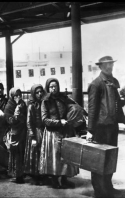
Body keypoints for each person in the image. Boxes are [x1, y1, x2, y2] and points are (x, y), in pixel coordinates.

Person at [86, 56, 125, 198]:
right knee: (98, 160)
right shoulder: (96, 84)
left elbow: (117, 105)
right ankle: (100, 191)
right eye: (106, 65)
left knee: (110, 159)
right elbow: (92, 109)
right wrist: (90, 130)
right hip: (100, 128)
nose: (109, 67)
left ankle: (108, 187)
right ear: (100, 67)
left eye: (111, 64)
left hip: (112, 127)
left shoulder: (113, 82)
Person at [39, 78, 79, 189]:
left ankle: (65, 179)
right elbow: (44, 119)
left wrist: (73, 116)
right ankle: (55, 180)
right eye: (51, 86)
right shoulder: (45, 101)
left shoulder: (64, 98)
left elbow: (73, 108)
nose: (53, 88)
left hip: (65, 131)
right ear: (48, 88)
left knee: (66, 156)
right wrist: (58, 122)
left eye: (55, 86)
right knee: (55, 157)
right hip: (53, 133)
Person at [4, 87, 27, 183]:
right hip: (14, 132)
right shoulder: (9, 106)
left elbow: (26, 116)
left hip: (22, 131)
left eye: (19, 95)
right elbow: (10, 120)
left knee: (22, 153)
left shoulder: (23, 104)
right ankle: (17, 175)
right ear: (11, 96)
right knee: (16, 154)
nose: (18, 97)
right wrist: (18, 111)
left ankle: (22, 173)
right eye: (15, 95)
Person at [24, 84, 45, 185]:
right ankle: (36, 176)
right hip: (35, 132)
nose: (40, 94)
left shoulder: (44, 103)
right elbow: (29, 122)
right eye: (37, 92)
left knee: (42, 153)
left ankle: (42, 174)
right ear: (33, 93)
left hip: (43, 131)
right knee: (35, 154)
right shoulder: (31, 105)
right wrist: (32, 136)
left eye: (41, 92)